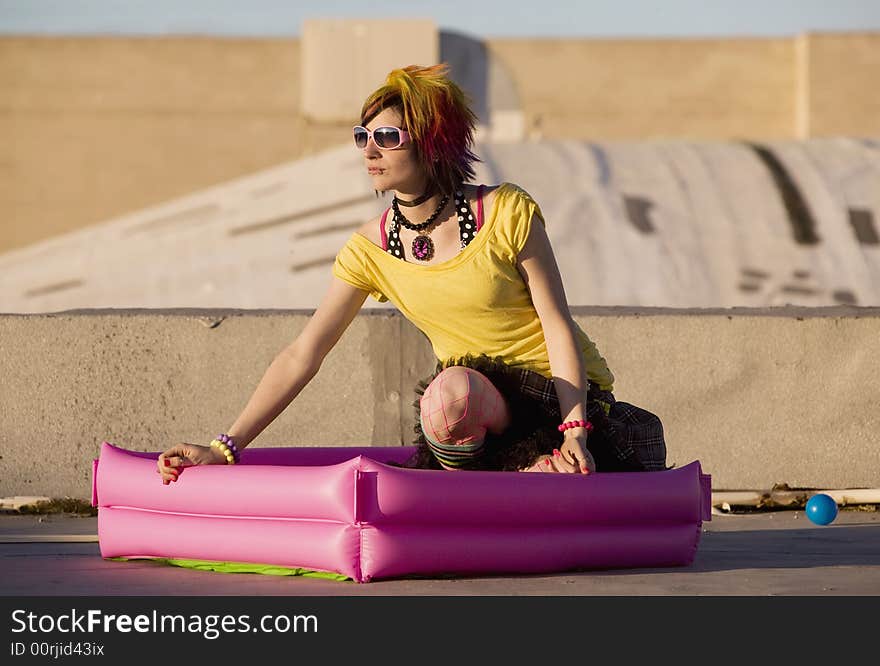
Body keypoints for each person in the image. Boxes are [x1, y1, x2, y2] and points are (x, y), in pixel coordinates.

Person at [157, 63, 667, 485]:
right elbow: (302, 354)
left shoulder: (507, 212)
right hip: (472, 405)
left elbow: (556, 323)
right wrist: (223, 447)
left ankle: (542, 469)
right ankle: (507, 483)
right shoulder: (369, 250)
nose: (368, 150)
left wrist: (575, 427)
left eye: (386, 136)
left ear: (431, 142)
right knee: (448, 396)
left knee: (457, 395)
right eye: (362, 136)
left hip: (557, 397)